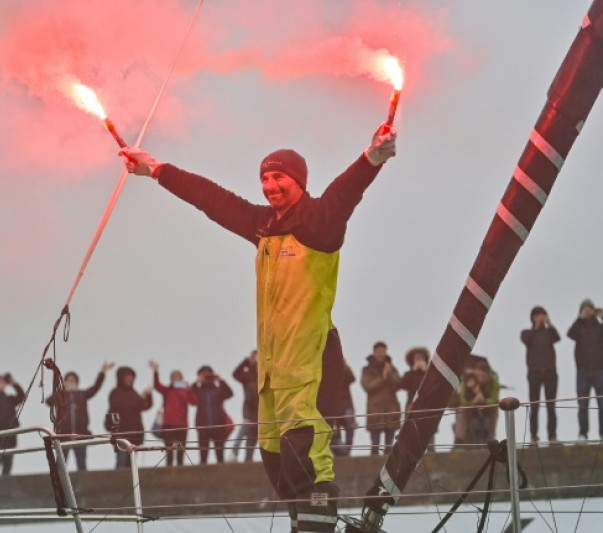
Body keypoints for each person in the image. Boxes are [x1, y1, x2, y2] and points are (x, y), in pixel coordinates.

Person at [120, 121, 396, 531]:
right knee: (277, 463)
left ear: (298, 180)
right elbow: (211, 199)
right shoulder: (264, 227)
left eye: (278, 177)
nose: (270, 185)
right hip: (272, 376)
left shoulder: (319, 223)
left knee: (309, 460)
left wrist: (373, 156)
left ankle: (318, 526)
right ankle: (300, 525)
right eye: (264, 178)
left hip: (310, 366)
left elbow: (346, 191)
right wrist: (156, 168)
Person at [46, 363, 114, 471]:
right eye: (69, 380)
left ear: (77, 382)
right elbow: (48, 401)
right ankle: (58, 486)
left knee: (81, 464)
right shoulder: (61, 395)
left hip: (80, 434)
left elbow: (95, 388)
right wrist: (61, 390)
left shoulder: (82, 394)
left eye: (73, 380)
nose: (71, 381)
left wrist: (102, 372)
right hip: (63, 435)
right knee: (60, 465)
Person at [567, 299, 603, 441]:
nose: (587, 311)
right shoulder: (578, 327)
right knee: (583, 405)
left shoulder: (600, 326)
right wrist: (579, 318)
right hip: (582, 372)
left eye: (589, 308)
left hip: (600, 371)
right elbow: (569, 334)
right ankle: (583, 434)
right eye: (584, 308)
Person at [521, 306, 561, 444]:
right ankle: (533, 436)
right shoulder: (527, 332)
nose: (540, 317)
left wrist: (549, 324)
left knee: (551, 406)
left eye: (542, 314)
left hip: (550, 373)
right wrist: (536, 327)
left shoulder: (550, 332)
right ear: (532, 317)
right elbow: (526, 340)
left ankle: (552, 436)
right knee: (534, 406)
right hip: (534, 374)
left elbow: (557, 337)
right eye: (537, 315)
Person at [106, 366, 153, 469]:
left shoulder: (134, 393)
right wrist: (141, 398)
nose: (130, 380)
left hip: (135, 435)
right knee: (121, 463)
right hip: (121, 435)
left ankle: (130, 484)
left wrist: (148, 396)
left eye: (131, 378)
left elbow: (144, 407)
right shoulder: (115, 393)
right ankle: (118, 484)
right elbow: (125, 407)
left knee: (132, 464)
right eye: (127, 378)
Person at [361, 341, 403, 455]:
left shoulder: (391, 368)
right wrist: (383, 378)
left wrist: (389, 374)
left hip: (391, 409)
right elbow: (367, 386)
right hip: (375, 411)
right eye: (379, 351)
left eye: (383, 351)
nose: (381, 354)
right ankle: (373, 468)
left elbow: (398, 384)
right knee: (375, 444)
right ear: (374, 352)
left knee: (389, 446)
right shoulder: (367, 370)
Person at [189, 365, 234, 464]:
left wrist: (221, 380)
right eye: (204, 375)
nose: (207, 378)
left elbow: (230, 394)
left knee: (220, 455)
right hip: (202, 426)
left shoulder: (218, 389)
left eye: (209, 375)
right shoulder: (198, 390)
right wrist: (197, 382)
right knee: (203, 456)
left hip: (218, 425)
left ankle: (221, 476)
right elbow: (190, 397)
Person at [150, 360, 190, 466]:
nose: (176, 379)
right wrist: (155, 371)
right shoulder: (167, 390)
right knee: (169, 452)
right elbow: (157, 385)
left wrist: (189, 388)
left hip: (182, 425)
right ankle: (168, 472)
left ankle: (180, 473)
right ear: (171, 379)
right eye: (174, 377)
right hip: (168, 424)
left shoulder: (186, 390)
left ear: (181, 379)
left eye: (178, 378)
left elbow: (195, 401)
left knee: (181, 452)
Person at [454, 359, 500, 446]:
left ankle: (491, 440)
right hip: (472, 407)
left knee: (494, 412)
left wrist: (484, 400)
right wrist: (473, 401)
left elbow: (494, 399)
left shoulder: (494, 382)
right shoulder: (468, 381)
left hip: (489, 408)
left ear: (488, 374)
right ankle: (459, 438)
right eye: (479, 375)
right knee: (461, 410)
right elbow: (463, 400)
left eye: (483, 376)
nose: (481, 378)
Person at [398, 347, 435, 449]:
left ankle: (431, 451)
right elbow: (402, 385)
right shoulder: (409, 374)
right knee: (411, 430)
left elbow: (434, 386)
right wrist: (412, 371)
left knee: (428, 429)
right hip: (412, 405)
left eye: (421, 358)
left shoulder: (430, 374)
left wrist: (426, 372)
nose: (419, 360)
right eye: (416, 358)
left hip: (428, 405)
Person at [230, 350, 259, 463]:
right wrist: (247, 361)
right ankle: (234, 453)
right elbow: (235, 374)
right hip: (249, 413)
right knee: (243, 432)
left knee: (251, 444)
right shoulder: (248, 376)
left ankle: (248, 461)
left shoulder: (266, 373)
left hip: (263, 413)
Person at [327, 360, 358, 457]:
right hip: (332, 407)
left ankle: (346, 450)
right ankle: (340, 451)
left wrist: (343, 364)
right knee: (333, 429)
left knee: (351, 425)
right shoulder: (326, 373)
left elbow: (352, 378)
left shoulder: (345, 373)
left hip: (346, 405)